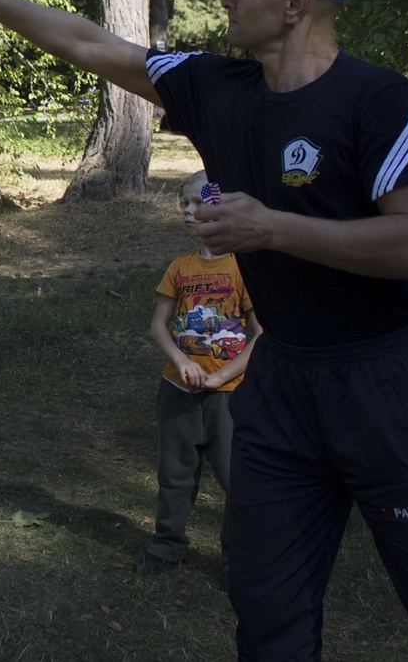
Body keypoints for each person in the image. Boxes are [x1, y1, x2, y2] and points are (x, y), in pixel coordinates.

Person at [0, 0, 408, 660]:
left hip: (387, 383)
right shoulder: (217, 87)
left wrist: (271, 227)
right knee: (267, 606)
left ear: (294, 2)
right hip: (282, 381)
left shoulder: (381, 101)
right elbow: (91, 43)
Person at [139, 170, 260, 578]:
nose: (189, 212)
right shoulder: (180, 267)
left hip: (232, 394)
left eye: (198, 203)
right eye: (184, 204)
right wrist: (182, 362)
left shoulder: (245, 269)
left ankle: (236, 559)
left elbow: (261, 335)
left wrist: (223, 374)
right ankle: (167, 544)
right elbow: (159, 326)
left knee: (236, 480)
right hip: (178, 390)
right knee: (174, 474)